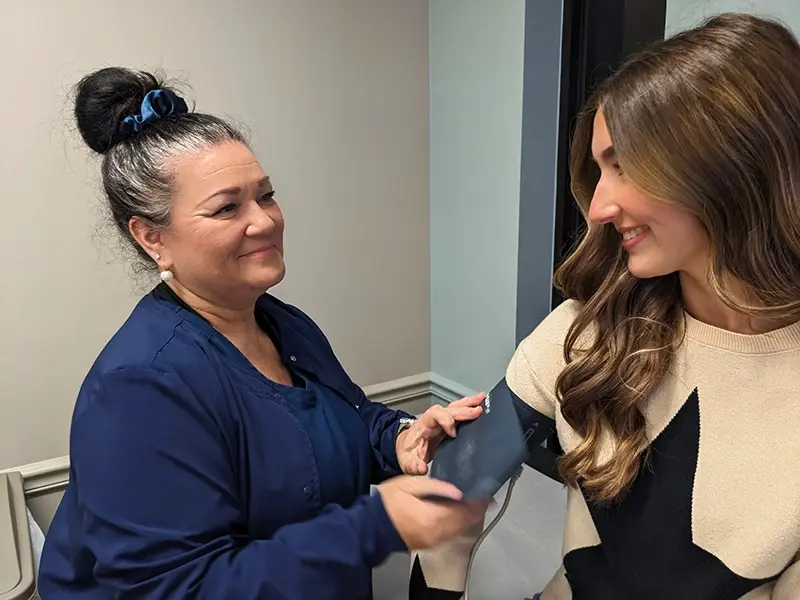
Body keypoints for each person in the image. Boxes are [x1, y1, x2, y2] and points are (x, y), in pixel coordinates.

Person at [37, 66, 491, 600]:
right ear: (152, 237)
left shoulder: (281, 323)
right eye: (228, 208)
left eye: (266, 196)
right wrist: (375, 526)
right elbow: (178, 589)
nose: (266, 221)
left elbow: (346, 419)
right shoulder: (140, 388)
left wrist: (400, 437)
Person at [410, 12, 800, 600]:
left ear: (732, 162)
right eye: (598, 170)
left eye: (624, 165)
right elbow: (448, 501)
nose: (597, 206)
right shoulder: (581, 334)